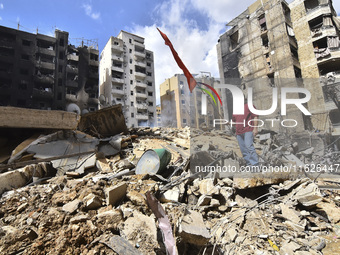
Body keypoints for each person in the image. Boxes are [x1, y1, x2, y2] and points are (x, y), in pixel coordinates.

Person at [232, 99, 259, 166]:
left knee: (249, 147)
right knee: (243, 150)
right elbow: (235, 123)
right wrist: (228, 123)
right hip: (238, 133)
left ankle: (255, 165)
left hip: (248, 130)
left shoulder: (249, 106)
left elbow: (255, 117)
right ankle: (249, 165)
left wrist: (255, 128)